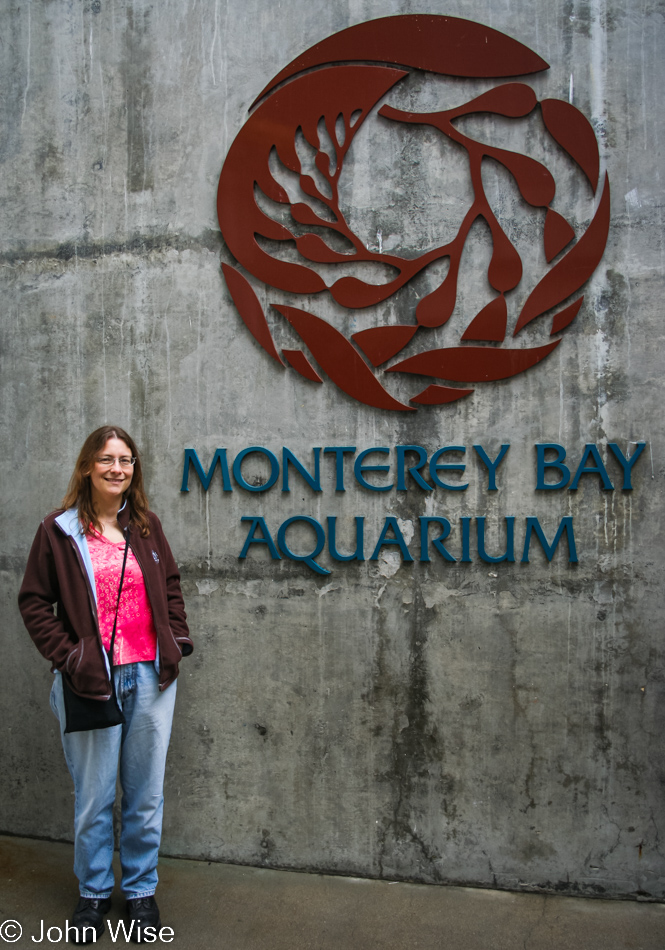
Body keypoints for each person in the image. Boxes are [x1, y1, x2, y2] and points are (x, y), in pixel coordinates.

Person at [18, 425, 193, 944]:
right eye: (107, 459)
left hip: (151, 679)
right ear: (87, 467)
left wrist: (176, 639)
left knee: (144, 796)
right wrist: (70, 657)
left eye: (126, 460)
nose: (118, 468)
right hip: (90, 681)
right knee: (94, 797)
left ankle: (140, 890)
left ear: (134, 469)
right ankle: (93, 891)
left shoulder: (146, 525)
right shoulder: (59, 530)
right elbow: (33, 603)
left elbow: (172, 587)